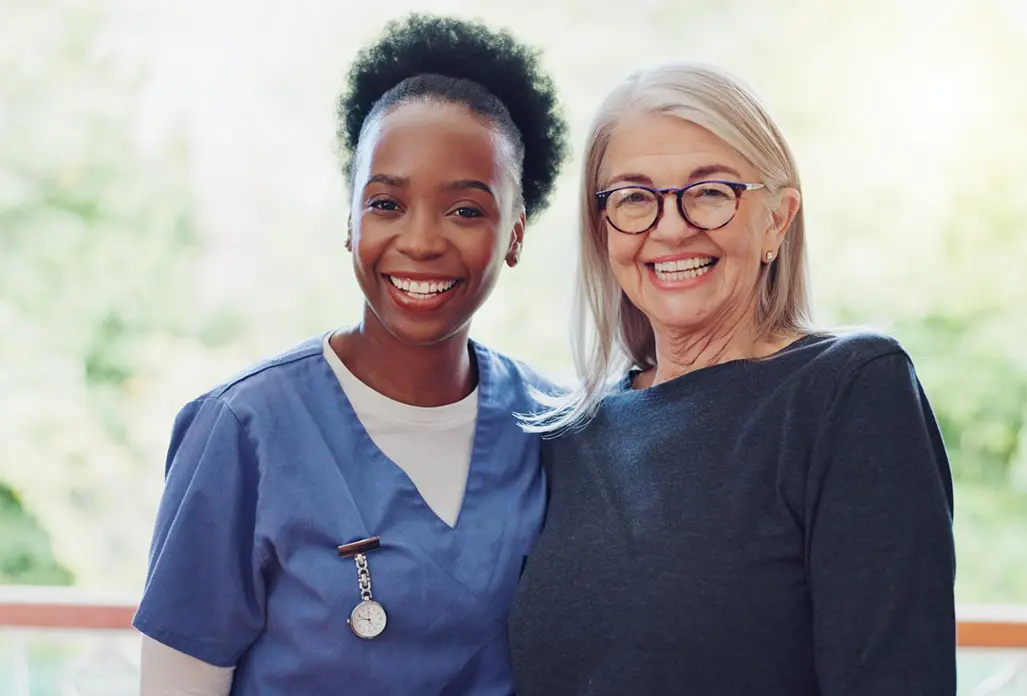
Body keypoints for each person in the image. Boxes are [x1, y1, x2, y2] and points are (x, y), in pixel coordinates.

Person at [132, 14, 567, 695]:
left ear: (514, 233)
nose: (420, 241)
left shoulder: (555, 428)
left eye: (465, 211)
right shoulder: (244, 430)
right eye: (387, 203)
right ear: (349, 221)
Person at [509, 63, 956, 695]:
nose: (671, 227)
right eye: (635, 197)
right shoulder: (565, 435)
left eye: (711, 191)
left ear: (776, 219)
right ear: (602, 229)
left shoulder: (850, 392)